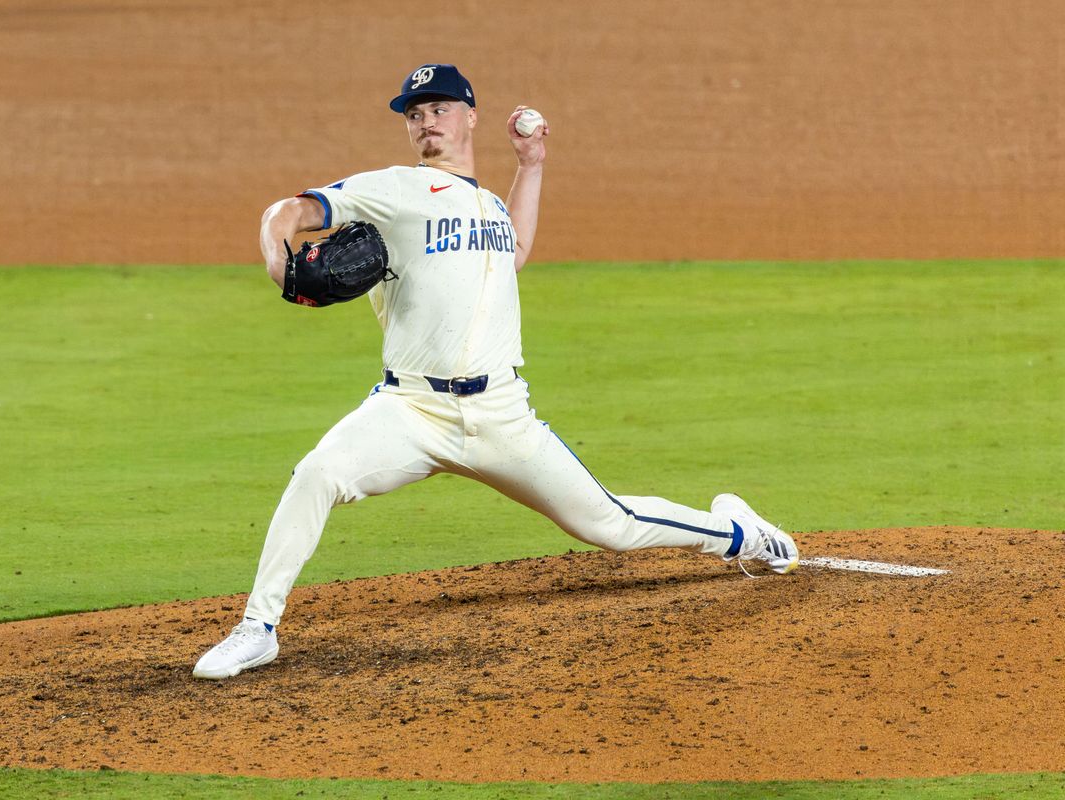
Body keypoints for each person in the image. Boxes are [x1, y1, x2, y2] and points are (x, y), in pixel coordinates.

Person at [192, 64, 799, 680]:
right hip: (410, 412)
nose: (427, 122)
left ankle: (738, 533)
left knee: (610, 525)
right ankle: (257, 628)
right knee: (317, 473)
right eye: (414, 114)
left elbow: (515, 253)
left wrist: (531, 165)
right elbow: (287, 210)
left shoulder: (485, 204)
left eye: (440, 109)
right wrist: (278, 260)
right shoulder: (394, 190)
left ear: (470, 116)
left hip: (502, 415)